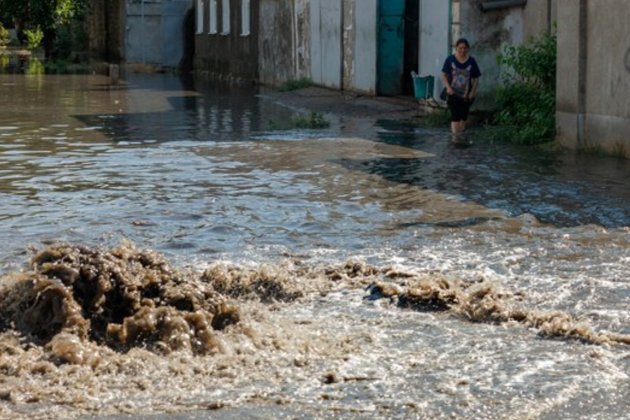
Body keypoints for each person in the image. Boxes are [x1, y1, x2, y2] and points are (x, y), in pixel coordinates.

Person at [440, 38, 481, 137]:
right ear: (456, 48)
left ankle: (460, 137)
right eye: (460, 48)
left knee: (463, 117)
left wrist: (472, 92)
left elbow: (476, 78)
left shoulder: (471, 61)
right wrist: (448, 88)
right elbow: (443, 75)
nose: (462, 50)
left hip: (466, 96)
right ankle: (455, 139)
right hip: (453, 93)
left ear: (468, 49)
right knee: (455, 117)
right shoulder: (450, 60)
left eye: (465, 48)